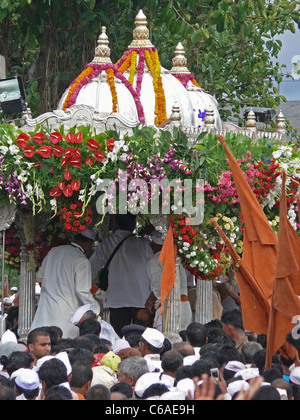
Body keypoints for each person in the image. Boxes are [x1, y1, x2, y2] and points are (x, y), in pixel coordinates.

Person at [90, 214, 153, 337]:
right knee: (141, 338)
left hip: (116, 299)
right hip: (141, 298)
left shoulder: (106, 244)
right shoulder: (143, 243)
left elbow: (91, 269)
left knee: (118, 337)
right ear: (134, 222)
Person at [30, 229, 100, 339]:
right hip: (65, 317)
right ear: (89, 243)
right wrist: (95, 309)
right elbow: (82, 291)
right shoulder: (82, 260)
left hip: (44, 313)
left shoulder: (54, 251)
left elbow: (40, 278)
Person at [145, 231, 193, 332]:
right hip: (185, 306)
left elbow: (159, 287)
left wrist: (149, 303)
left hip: (169, 308)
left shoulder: (154, 261)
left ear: (154, 245)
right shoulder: (177, 257)